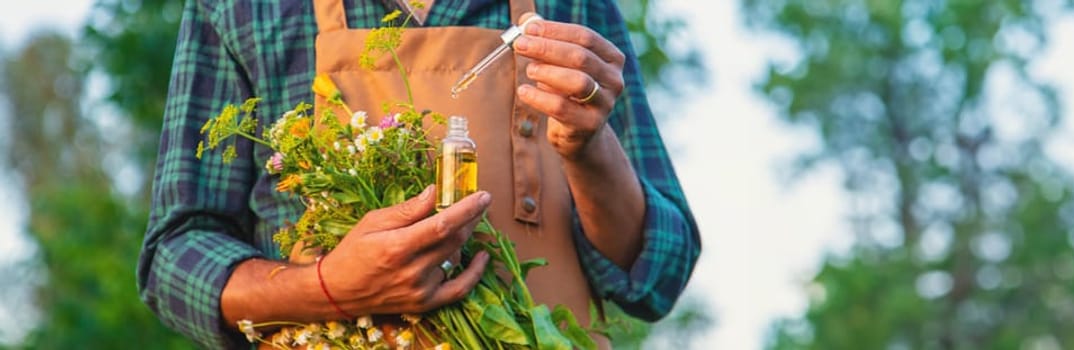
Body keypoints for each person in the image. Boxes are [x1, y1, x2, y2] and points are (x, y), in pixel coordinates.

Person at [137, 0, 701, 348]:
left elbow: (658, 274)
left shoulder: (569, 3)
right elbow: (174, 256)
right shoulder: (241, 8)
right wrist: (329, 289)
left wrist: (589, 144)